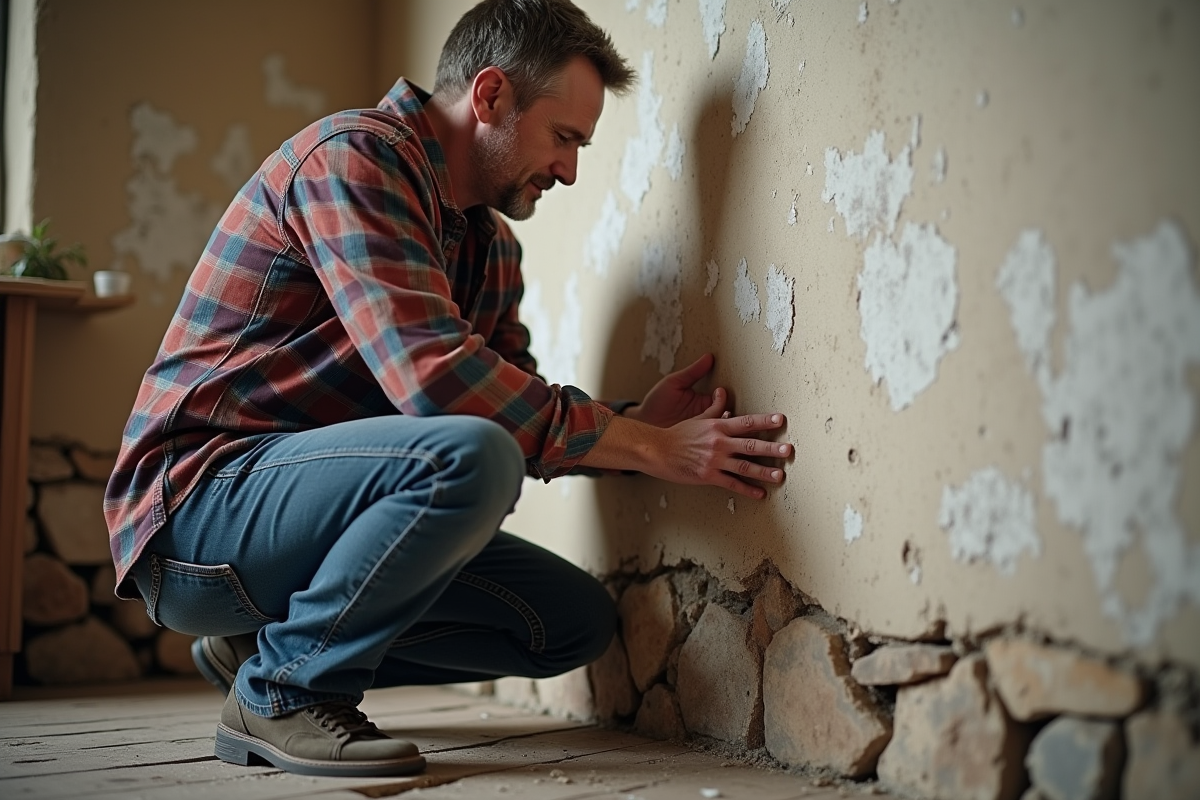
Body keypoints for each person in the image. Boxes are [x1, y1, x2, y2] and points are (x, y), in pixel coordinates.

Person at [104, 0, 792, 779]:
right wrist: (648, 447)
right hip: (195, 513)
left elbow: (510, 403)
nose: (570, 170)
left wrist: (633, 424)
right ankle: (287, 690)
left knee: (569, 623)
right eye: (564, 137)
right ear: (491, 95)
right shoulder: (353, 159)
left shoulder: (489, 250)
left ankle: (261, 650)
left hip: (301, 527)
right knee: (472, 455)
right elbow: (437, 382)